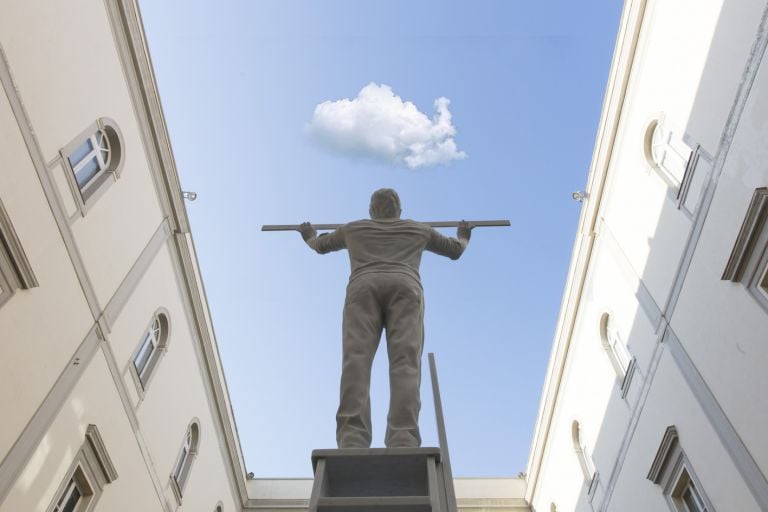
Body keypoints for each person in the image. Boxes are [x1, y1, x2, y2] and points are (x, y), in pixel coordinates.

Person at [299, 188, 471, 448]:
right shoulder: (418, 229)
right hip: (405, 287)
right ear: (399, 210)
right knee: (405, 363)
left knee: (356, 360)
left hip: (363, 288)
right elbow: (455, 250)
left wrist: (309, 236)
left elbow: (320, 246)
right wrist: (463, 235)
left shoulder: (353, 229)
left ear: (370, 211)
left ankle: (351, 437)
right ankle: (403, 435)